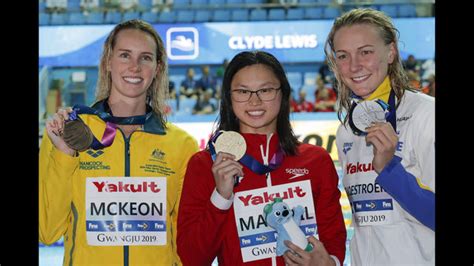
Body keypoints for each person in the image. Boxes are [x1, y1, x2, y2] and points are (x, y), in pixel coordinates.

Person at [39, 19, 199, 265]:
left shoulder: (181, 145)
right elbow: (47, 231)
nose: (134, 67)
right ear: (107, 62)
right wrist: (64, 155)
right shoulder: (69, 132)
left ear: (157, 68)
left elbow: (185, 242)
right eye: (125, 55)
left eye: (145, 58)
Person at [177, 51, 346, 266]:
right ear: (229, 98)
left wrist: (328, 263)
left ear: (283, 94)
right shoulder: (206, 165)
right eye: (242, 91)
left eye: (265, 90)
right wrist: (221, 197)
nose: (254, 101)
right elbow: (192, 258)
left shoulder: (316, 161)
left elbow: (334, 246)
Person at [324, 8, 435, 265]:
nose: (354, 66)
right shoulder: (346, 131)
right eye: (343, 56)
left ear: (391, 52)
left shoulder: (426, 115)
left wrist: (389, 169)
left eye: (366, 52)